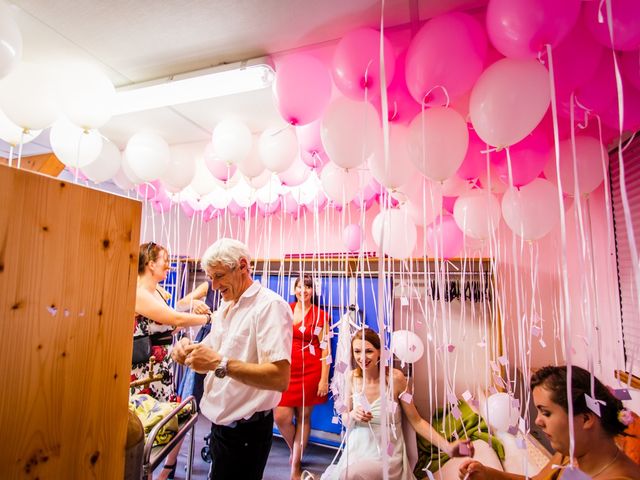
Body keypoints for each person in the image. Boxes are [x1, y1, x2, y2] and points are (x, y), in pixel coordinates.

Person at [171, 237, 293, 480]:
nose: (214, 286)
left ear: (243, 266)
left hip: (246, 434)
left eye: (219, 276)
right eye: (210, 277)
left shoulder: (270, 307)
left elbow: (280, 378)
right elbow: (210, 350)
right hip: (221, 430)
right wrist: (186, 350)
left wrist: (219, 363)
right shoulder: (226, 308)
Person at [322, 327, 472, 480]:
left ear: (380, 352)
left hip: (386, 453)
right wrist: (353, 414)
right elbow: (346, 419)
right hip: (356, 449)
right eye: (357, 351)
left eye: (368, 351)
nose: (362, 357)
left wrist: (447, 447)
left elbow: (417, 421)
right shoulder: (351, 377)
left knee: (352, 474)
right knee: (348, 473)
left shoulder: (396, 379)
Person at [458, 365, 640, 480]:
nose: (538, 421)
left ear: (585, 418)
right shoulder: (570, 453)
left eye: (546, 412)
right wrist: (489, 474)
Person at [132, 241, 210, 480]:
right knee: (141, 425)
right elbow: (172, 317)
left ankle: (165, 467)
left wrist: (191, 307)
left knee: (167, 421)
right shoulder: (138, 292)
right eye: (164, 259)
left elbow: (170, 324)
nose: (169, 264)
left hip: (162, 369)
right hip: (141, 371)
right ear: (149, 262)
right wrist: (207, 318)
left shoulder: (157, 292)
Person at [275, 274, 331, 480]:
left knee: (304, 418)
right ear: (294, 289)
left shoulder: (320, 315)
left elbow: (325, 349)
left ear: (312, 291)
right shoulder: (285, 309)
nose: (303, 291)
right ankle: (295, 450)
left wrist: (324, 379)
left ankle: (295, 465)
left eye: (308, 287)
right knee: (281, 417)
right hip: (287, 369)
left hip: (311, 371)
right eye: (300, 286)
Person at [176, 279, 218, 406]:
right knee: (196, 381)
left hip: (228, 338)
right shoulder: (210, 285)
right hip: (208, 336)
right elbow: (180, 304)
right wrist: (194, 302)